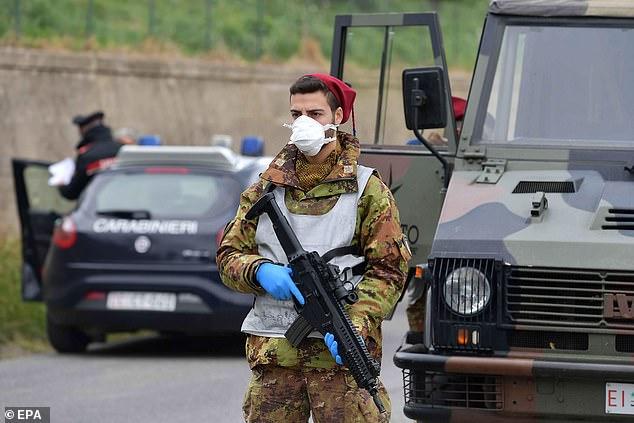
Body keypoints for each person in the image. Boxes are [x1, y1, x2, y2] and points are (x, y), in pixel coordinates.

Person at [216, 73, 411, 422]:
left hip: (341, 369)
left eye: (315, 114)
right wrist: (259, 270)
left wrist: (356, 322)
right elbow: (228, 255)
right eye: (296, 114)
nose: (303, 123)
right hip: (275, 362)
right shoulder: (264, 189)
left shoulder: (368, 190)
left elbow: (389, 271)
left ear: (338, 117)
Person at [58, 111, 122, 200]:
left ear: (83, 130)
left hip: (98, 209)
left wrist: (61, 185)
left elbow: (72, 192)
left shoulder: (87, 156)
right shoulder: (122, 149)